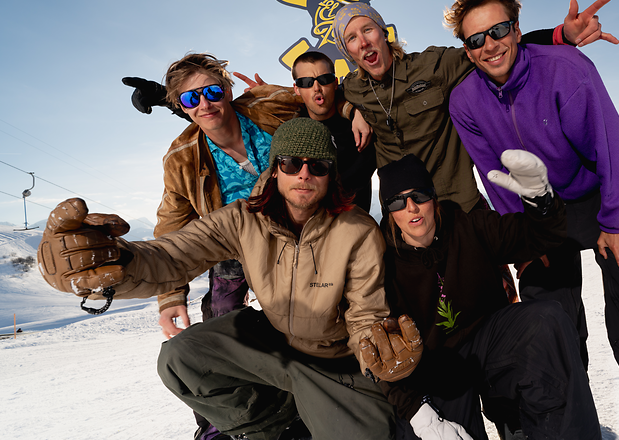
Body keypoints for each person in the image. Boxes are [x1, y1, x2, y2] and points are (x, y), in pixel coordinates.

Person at [38, 118, 417, 440]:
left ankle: (319, 407)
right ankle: (274, 426)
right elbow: (174, 255)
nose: (304, 173)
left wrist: (375, 353)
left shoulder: (357, 230)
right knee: (179, 357)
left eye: (317, 165)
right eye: (291, 162)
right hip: (273, 345)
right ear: (275, 168)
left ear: (330, 173)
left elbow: (366, 313)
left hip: (334, 360)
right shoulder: (242, 218)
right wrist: (116, 261)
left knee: (370, 433)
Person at [445, 0, 619, 440]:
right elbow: (494, 175)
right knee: (545, 321)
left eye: (498, 30)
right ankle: (566, 425)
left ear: (517, 30)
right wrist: (522, 244)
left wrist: (617, 223)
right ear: (466, 50)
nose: (489, 45)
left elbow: (611, 147)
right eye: (475, 39)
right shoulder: (466, 102)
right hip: (540, 216)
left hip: (598, 197)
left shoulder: (565, 68)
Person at [370, 152, 600, 440]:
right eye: (397, 201)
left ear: (434, 197)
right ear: (389, 211)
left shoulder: (469, 226)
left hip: (491, 346)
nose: (411, 207)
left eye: (419, 195)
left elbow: (538, 236)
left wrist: (541, 204)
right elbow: (382, 353)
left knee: (545, 321)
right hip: (437, 371)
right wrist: (417, 412)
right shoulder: (382, 264)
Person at [331, 0, 618, 214]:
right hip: (403, 213)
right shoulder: (353, 89)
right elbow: (324, 94)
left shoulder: (432, 66)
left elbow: (489, 48)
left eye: (367, 30)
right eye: (352, 39)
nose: (363, 42)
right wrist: (350, 110)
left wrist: (560, 36)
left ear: (383, 33)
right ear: (348, 52)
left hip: (458, 206)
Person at [152, 53, 305, 439]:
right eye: (191, 99)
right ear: (180, 107)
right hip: (235, 248)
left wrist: (345, 110)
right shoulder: (181, 158)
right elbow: (172, 226)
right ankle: (225, 423)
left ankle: (317, 399)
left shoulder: (268, 108)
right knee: (220, 320)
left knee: (305, 316)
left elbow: (322, 95)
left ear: (228, 90)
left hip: (297, 232)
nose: (205, 104)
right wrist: (170, 296)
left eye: (212, 91)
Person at [236, 51, 377, 212]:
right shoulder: (290, 128)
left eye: (325, 80)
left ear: (335, 83)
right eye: (306, 82)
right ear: (296, 88)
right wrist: (271, 97)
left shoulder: (362, 125)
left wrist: (355, 112)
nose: (317, 88)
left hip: (351, 225)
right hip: (304, 225)